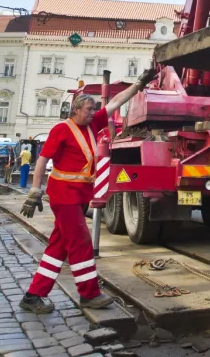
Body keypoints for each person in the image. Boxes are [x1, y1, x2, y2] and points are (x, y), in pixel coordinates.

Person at [19, 68, 158, 313]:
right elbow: (42, 160)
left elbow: (115, 102)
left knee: (58, 248)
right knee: (82, 242)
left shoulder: (92, 126)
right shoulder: (61, 130)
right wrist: (34, 190)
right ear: (75, 110)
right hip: (65, 197)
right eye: (88, 110)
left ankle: (33, 296)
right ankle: (89, 294)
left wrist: (138, 84)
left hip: (78, 197)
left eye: (94, 110)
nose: (93, 113)